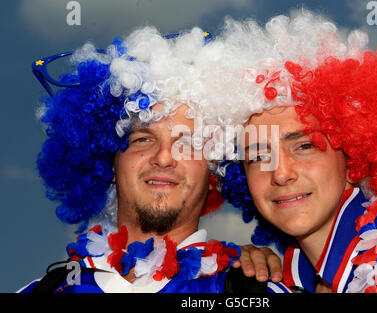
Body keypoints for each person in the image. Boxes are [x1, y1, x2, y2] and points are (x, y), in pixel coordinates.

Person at [199, 11, 377, 293]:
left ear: (352, 158)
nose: (280, 173)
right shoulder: (265, 287)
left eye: (305, 146)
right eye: (257, 157)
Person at [19, 27, 283, 293]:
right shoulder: (44, 290)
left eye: (188, 144)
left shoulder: (253, 292)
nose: (164, 157)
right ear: (109, 162)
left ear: (214, 172)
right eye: (142, 139)